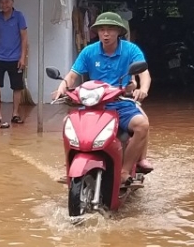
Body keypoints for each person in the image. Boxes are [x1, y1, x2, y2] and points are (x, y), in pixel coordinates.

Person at [52, 11, 153, 186]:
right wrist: (62, 88)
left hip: (121, 103)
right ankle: (68, 167)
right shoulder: (89, 52)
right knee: (66, 123)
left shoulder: (131, 50)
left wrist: (143, 89)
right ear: (97, 32)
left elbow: (144, 74)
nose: (106, 34)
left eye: (110, 30)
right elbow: (72, 75)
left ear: (119, 32)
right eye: (102, 30)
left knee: (142, 125)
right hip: (93, 104)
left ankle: (124, 170)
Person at [0, 0, 29, 128]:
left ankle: (15, 114)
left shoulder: (19, 17)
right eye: (2, 2)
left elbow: (24, 38)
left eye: (7, 2)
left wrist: (23, 57)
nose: (4, 5)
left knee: (16, 86)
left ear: (12, 2)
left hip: (15, 58)